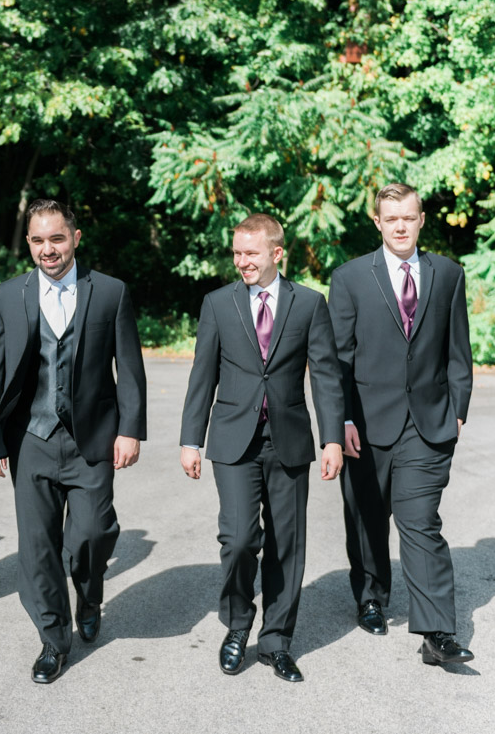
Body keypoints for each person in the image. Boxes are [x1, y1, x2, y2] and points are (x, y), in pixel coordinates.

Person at [0, 199, 147, 684]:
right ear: (28, 243)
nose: (47, 249)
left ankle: (89, 594)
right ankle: (53, 641)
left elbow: (129, 370)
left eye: (56, 238)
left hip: (91, 438)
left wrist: (130, 429)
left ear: (75, 238)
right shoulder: (7, 296)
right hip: (29, 438)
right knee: (37, 548)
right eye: (37, 240)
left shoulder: (110, 292)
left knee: (91, 534)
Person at [178, 214, 343, 682]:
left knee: (288, 545)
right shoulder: (218, 303)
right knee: (238, 539)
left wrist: (331, 438)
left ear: (276, 253)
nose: (241, 261)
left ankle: (276, 641)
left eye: (250, 253)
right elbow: (201, 375)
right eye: (236, 253)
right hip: (233, 440)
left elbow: (327, 376)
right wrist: (192, 439)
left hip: (289, 440)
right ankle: (236, 624)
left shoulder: (309, 303)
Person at [328, 182, 475, 665]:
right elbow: (338, 361)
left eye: (408, 218)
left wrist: (458, 408)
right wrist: (341, 419)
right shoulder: (350, 278)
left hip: (429, 424)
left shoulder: (448, 274)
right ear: (377, 222)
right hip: (366, 425)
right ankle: (370, 595)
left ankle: (437, 632)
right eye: (391, 219)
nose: (400, 226)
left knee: (421, 524)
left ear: (421, 219)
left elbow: (459, 351)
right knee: (368, 518)